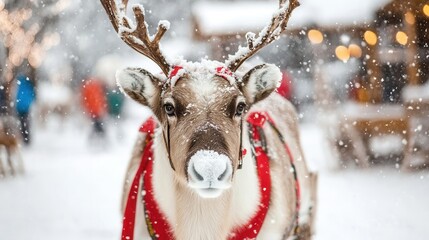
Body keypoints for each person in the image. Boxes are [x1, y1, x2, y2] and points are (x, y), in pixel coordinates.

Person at [15, 74, 36, 145]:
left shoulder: (19, 86)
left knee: (21, 124)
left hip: (19, 108)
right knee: (26, 123)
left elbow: (17, 97)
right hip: (26, 109)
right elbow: (32, 96)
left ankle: (24, 137)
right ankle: (26, 138)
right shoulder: (28, 86)